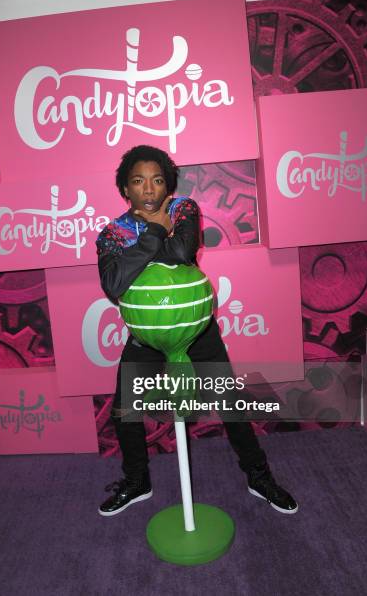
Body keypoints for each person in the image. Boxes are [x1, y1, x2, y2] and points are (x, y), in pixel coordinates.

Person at [95, 144, 298, 517]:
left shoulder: (184, 208)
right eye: (138, 181)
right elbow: (114, 284)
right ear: (125, 189)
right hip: (147, 335)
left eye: (157, 180)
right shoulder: (113, 232)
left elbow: (183, 251)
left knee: (229, 402)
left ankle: (258, 475)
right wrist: (156, 232)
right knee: (125, 410)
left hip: (196, 330)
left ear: (169, 187)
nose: (149, 189)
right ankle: (137, 481)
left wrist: (143, 251)